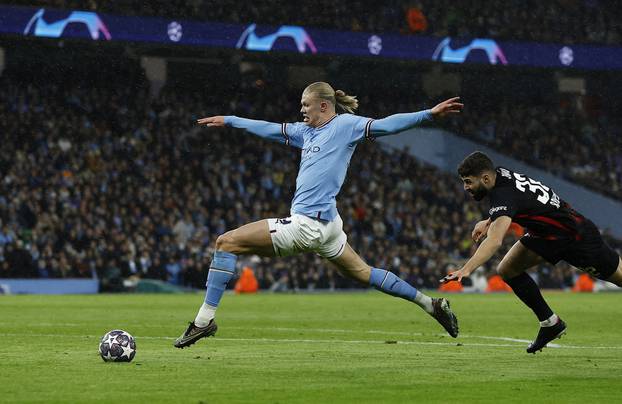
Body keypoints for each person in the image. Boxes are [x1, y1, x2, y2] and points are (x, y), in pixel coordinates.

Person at [174, 82, 463, 348]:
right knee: (364, 272)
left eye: (306, 105)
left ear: (323, 106)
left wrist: (428, 114)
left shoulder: (346, 125)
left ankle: (203, 322)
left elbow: (386, 125)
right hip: (329, 227)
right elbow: (268, 128)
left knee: (226, 243)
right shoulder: (305, 132)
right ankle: (431, 304)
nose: (301, 110)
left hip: (308, 224)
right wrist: (231, 120)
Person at [443, 151, 622, 353]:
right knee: (508, 269)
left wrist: (466, 270)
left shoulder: (502, 194)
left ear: (485, 178)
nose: (465, 187)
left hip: (575, 237)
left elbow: (494, 241)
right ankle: (550, 323)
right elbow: (519, 199)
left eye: (468, 182)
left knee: (620, 277)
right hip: (545, 235)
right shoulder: (500, 174)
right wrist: (490, 220)